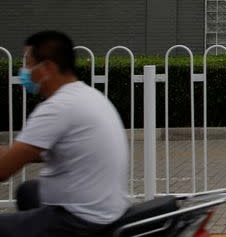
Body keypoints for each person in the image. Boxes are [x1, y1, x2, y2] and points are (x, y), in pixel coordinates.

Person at [0, 31, 129, 236]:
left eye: (28, 63)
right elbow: (29, 152)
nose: (23, 71)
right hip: (105, 209)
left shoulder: (58, 107)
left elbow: (3, 170)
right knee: (28, 191)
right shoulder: (87, 95)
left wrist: (9, 156)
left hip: (80, 220)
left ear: (48, 68)